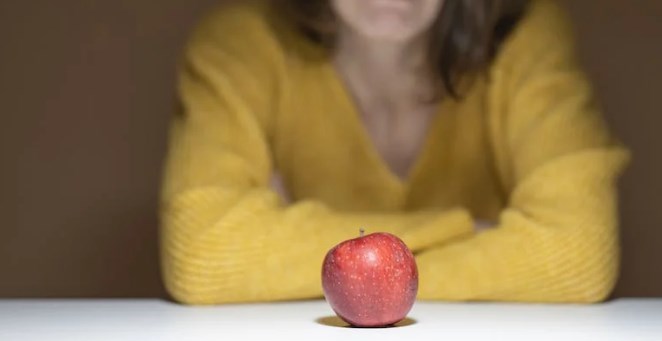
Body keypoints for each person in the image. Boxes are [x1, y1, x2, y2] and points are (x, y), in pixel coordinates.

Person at [160, 0, 630, 305]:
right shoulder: (241, 42)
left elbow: (577, 253)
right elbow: (203, 252)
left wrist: (283, 248)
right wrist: (469, 230)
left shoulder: (525, 33)